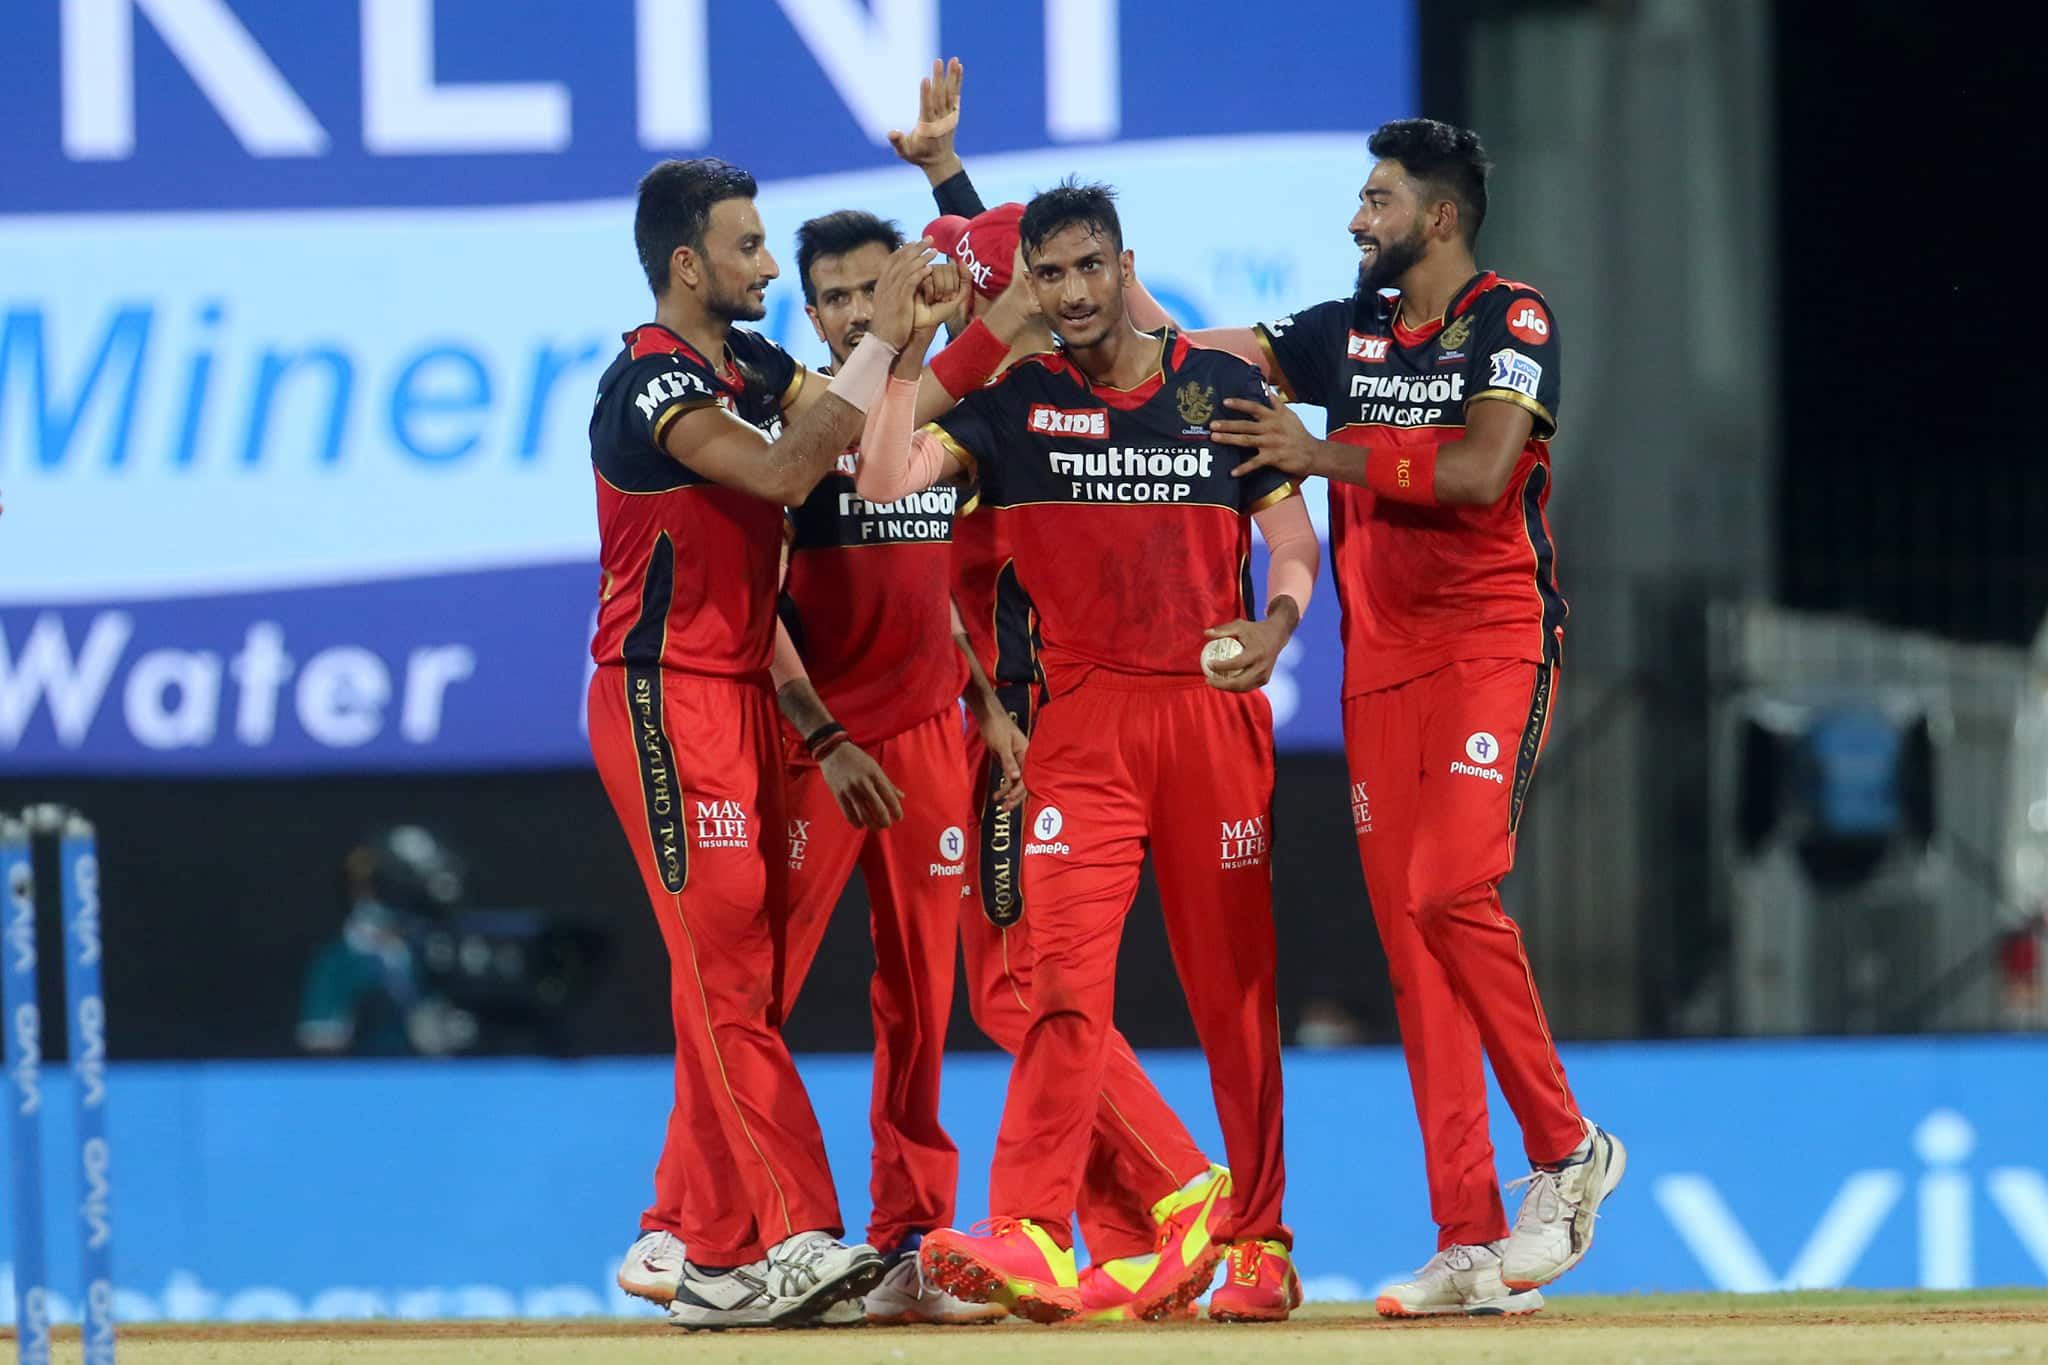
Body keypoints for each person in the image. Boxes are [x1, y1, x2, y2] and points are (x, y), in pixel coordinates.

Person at [1167, 118, 1625, 1317]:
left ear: (1437, 217)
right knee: (1415, 956)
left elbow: (1480, 474)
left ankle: (1569, 1151)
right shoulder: (1343, 330)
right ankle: (1469, 1242)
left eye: (1375, 200)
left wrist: (1321, 456)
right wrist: (1057, 328)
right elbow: (1197, 352)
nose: (1355, 219)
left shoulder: (1509, 319)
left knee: (1449, 890)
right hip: (1379, 668)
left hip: (1489, 643)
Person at [853, 178, 1322, 1325]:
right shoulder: (1013, 407)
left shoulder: (1214, 386)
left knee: (1234, 997)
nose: (1067, 293)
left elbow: (1291, 533)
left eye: (1086, 269)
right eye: (1046, 275)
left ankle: (1258, 1240)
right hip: (1082, 733)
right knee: (1057, 981)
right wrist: (908, 355)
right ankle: (1025, 1232)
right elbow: (880, 485)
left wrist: (1273, 627)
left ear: (1123, 267)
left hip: (1207, 722)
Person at [587, 157, 1015, 1330]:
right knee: (731, 974)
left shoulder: (750, 366)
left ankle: (725, 1251)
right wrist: (880, 341)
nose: (770, 267)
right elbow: (786, 468)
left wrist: (937, 335)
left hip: (741, 695)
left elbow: (870, 434)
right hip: (661, 691)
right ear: (689, 264)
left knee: (736, 973)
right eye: (749, 247)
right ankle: (766, 1239)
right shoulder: (649, 383)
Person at [891, 63, 1238, 1325]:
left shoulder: (1007, 400)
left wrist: (993, 712)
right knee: (1019, 980)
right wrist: (940, 176)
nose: (977, 285)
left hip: (1029, 708)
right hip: (1002, 694)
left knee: (1013, 982)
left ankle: (1177, 1185)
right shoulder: (991, 395)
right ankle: (1131, 1219)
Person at [763, 206, 1027, 1325]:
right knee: (751, 997)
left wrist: (984, 701)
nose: (860, 310)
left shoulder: (940, 416)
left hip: (926, 738)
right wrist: (818, 736)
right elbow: (747, 612)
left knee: (920, 1006)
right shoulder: (785, 432)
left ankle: (908, 1241)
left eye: (880, 286)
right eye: (836, 296)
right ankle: (732, 1234)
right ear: (813, 314)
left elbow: (936, 587)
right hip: (812, 746)